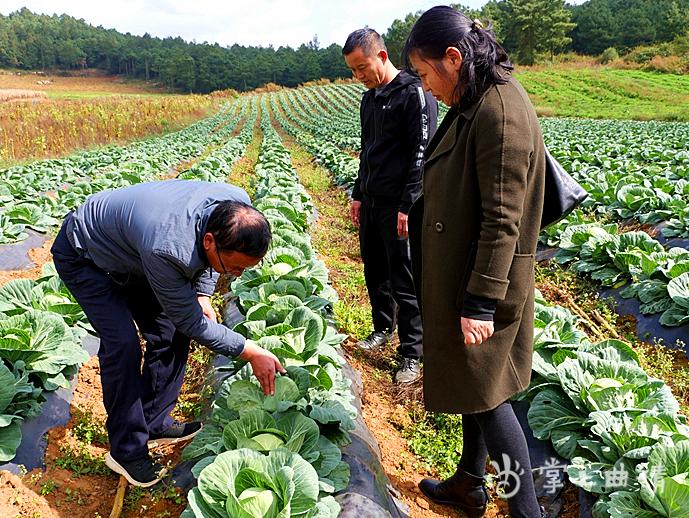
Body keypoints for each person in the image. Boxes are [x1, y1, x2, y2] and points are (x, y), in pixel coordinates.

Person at [50, 179, 286, 488]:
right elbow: (193, 323)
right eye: (236, 267)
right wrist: (251, 351)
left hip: (133, 251)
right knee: (123, 345)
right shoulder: (168, 249)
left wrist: (202, 294)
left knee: (169, 331)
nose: (237, 274)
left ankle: (154, 421)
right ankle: (126, 452)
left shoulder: (236, 204)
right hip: (86, 255)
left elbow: (206, 273)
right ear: (210, 242)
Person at [404, 7, 546, 518]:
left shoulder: (499, 112)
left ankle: (526, 511)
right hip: (462, 270)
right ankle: (469, 482)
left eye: (424, 75)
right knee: (473, 383)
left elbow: (503, 220)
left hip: (485, 280)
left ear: (453, 57)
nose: (426, 87)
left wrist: (481, 302)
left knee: (489, 398)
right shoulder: (475, 98)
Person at [342, 28, 437, 384]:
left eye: (362, 67)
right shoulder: (370, 98)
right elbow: (368, 151)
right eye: (353, 70)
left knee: (405, 275)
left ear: (381, 57)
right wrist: (358, 192)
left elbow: (421, 153)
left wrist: (407, 204)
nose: (359, 76)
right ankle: (383, 327)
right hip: (372, 200)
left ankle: (412, 351)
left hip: (400, 203)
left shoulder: (413, 92)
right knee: (375, 268)